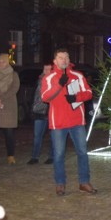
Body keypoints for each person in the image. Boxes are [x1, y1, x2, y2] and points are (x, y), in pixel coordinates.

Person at [41, 48, 96, 196]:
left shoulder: (78, 75)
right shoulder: (49, 78)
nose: (64, 60)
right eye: (61, 58)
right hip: (58, 122)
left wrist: (77, 98)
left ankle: (84, 182)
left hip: (77, 121)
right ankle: (60, 184)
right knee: (58, 155)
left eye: (66, 57)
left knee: (82, 153)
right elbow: (45, 97)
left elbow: (89, 93)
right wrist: (59, 85)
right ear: (55, 61)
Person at [28, 63, 54, 165]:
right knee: (37, 135)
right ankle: (35, 157)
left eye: (49, 69)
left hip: (51, 111)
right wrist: (33, 108)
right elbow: (35, 96)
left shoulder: (55, 80)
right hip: (39, 111)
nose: (46, 71)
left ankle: (51, 156)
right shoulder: (39, 80)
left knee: (53, 136)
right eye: (45, 69)